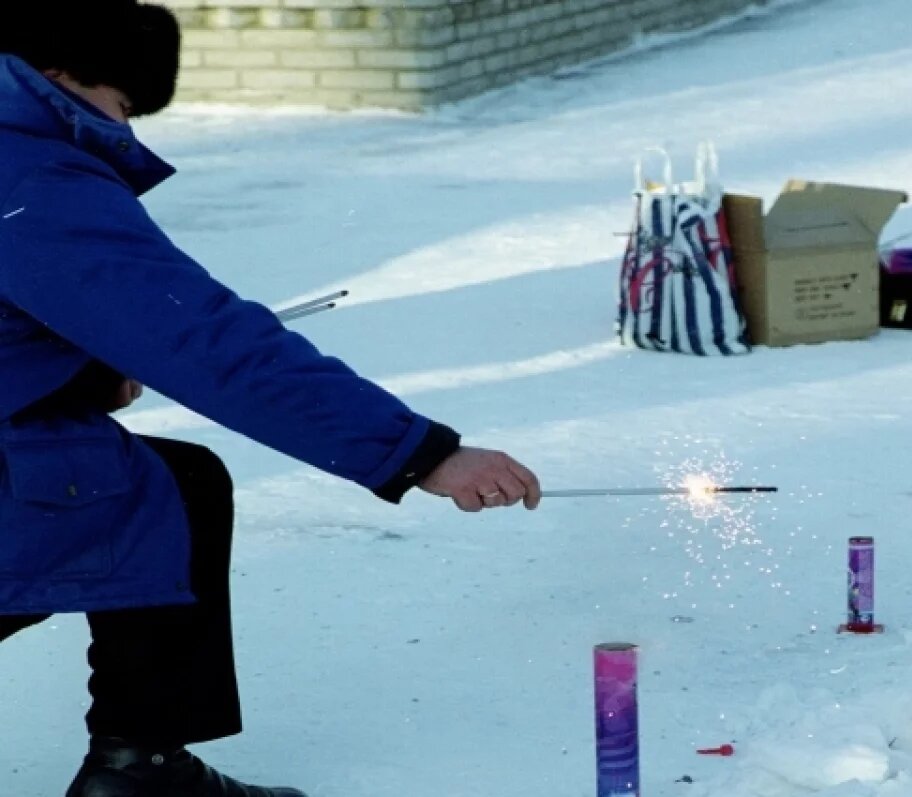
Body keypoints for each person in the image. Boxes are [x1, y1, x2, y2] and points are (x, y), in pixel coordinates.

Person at [0, 3, 542, 795]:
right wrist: (425, 452)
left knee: (168, 482)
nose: (127, 130)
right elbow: (210, 344)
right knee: (164, 493)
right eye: (122, 107)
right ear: (60, 76)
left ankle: (141, 762)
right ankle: (140, 771)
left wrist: (74, 375)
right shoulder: (33, 173)